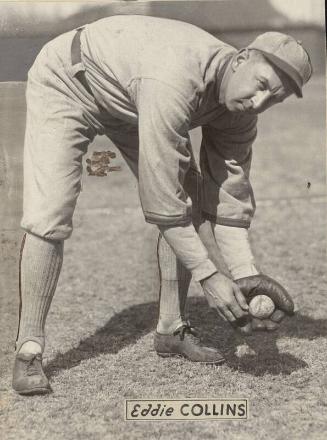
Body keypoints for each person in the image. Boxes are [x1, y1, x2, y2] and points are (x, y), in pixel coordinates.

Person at [12, 15, 312, 395]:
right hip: (69, 81)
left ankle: (171, 329)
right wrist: (209, 276)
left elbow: (228, 200)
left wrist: (245, 274)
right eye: (263, 84)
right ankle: (29, 348)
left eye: (276, 98)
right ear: (241, 59)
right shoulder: (175, 76)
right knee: (49, 214)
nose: (260, 101)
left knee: (190, 193)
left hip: (133, 98)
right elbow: (161, 200)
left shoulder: (242, 113)